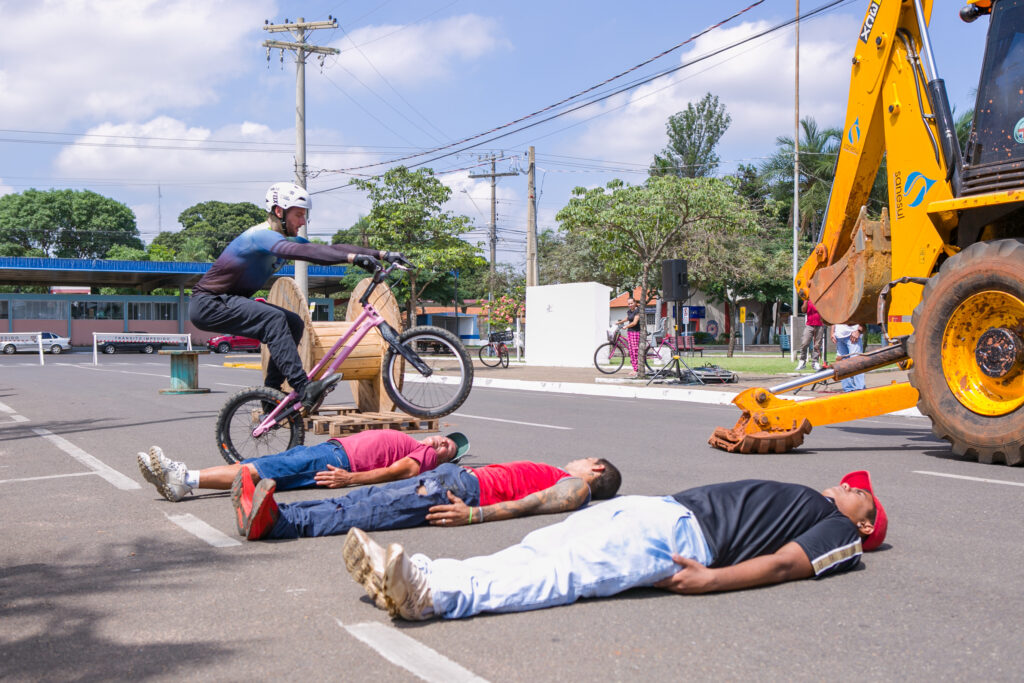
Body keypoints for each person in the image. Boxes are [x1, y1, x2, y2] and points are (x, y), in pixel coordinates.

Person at [344, 470, 888, 621]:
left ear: (865, 527)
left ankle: (429, 597)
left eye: (862, 494)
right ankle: (425, 573)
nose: (851, 486)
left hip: (686, 537)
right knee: (539, 548)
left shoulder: (841, 533)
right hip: (660, 509)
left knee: (566, 571)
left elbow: (786, 565)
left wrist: (711, 580)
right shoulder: (818, 501)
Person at [188, 182, 407, 413]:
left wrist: (381, 254)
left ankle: (270, 395)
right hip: (209, 304)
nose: (302, 222)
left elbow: (328, 250)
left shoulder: (285, 239)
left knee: (293, 323)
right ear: (279, 212)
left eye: (305, 216)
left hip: (226, 302)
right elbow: (305, 252)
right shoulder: (260, 237)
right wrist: (354, 259)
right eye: (299, 215)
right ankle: (303, 387)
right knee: (272, 320)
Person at [232, 455, 622, 542]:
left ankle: (279, 524)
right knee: (363, 496)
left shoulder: (579, 487)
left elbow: (539, 504)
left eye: (587, 459)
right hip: (455, 478)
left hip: (462, 493)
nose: (578, 459)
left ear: (597, 469)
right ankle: (272, 512)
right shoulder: (560, 473)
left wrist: (475, 516)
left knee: (370, 509)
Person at [136, 429, 469, 502]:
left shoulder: (423, 458)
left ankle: (183, 478)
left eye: (447, 449)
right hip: (332, 451)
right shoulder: (417, 441)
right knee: (261, 465)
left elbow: (404, 471)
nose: (441, 443)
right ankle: (183, 480)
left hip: (339, 460)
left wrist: (351, 477)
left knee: (264, 470)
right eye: (443, 438)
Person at [831, 323, 866, 391]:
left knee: (856, 362)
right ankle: (848, 390)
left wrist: (858, 331)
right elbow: (833, 318)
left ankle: (860, 389)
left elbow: (863, 316)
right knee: (842, 364)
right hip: (839, 336)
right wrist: (832, 332)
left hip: (852, 334)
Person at [615, 297, 644, 378]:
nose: (630, 305)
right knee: (631, 351)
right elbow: (628, 318)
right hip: (630, 333)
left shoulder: (637, 311)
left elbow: (634, 322)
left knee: (635, 351)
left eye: (631, 303)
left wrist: (626, 326)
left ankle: (636, 370)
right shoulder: (629, 311)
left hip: (635, 333)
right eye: (629, 304)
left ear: (635, 303)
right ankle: (634, 369)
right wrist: (619, 322)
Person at [795, 299, 824, 372]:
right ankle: (802, 361)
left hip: (819, 324)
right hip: (809, 325)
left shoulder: (821, 298)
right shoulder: (808, 299)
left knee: (817, 345)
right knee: (804, 343)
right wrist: (806, 302)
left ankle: (815, 362)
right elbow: (803, 310)